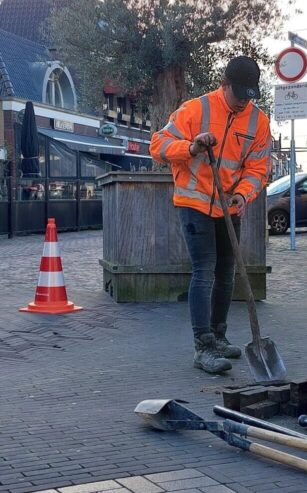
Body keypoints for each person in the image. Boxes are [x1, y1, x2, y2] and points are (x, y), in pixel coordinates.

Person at [150, 55, 271, 375]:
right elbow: (158, 145)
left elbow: (258, 168)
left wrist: (243, 194)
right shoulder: (196, 109)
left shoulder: (258, 121)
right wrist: (190, 147)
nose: (244, 101)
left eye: (250, 94)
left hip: (229, 205)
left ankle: (218, 335)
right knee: (204, 270)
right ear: (224, 84)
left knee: (227, 273)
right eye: (239, 93)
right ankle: (202, 345)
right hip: (194, 203)